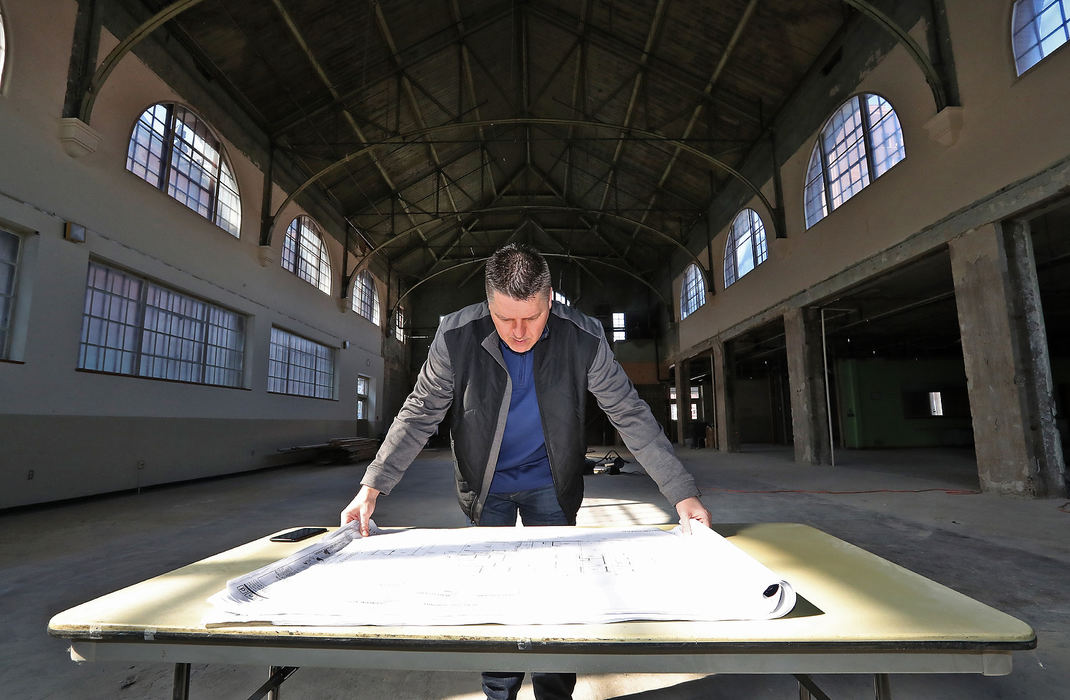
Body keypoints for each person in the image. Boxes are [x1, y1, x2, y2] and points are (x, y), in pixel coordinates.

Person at [341, 243, 710, 700]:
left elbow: (629, 413)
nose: (518, 332)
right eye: (504, 319)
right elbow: (420, 413)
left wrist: (681, 492)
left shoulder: (584, 337)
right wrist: (373, 484)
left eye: (531, 318)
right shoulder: (455, 336)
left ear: (550, 299)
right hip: (486, 485)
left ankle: (556, 694)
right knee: (494, 601)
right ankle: (500, 692)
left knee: (557, 601)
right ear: (487, 303)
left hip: (551, 486)